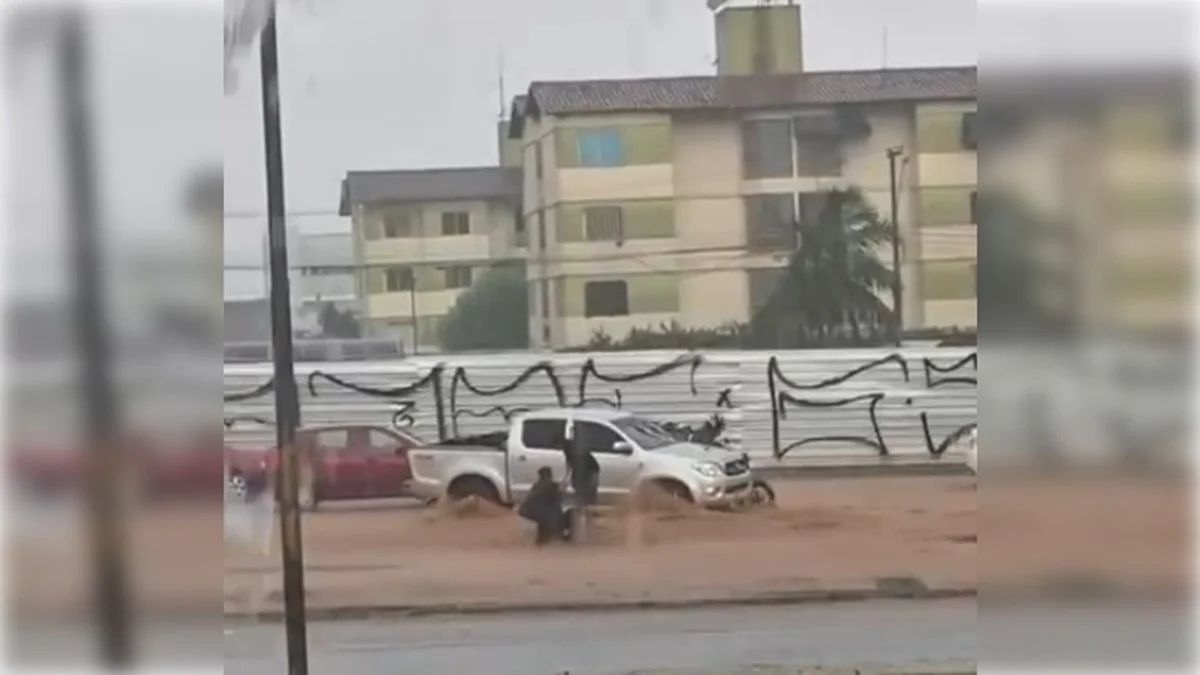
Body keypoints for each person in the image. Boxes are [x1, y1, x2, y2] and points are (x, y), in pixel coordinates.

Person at [518, 466, 571, 545]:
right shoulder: (551, 485)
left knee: (548, 514)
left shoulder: (537, 485)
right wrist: (562, 490)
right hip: (539, 513)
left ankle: (542, 541)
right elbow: (559, 499)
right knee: (558, 513)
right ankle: (559, 535)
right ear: (549, 475)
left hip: (526, 511)